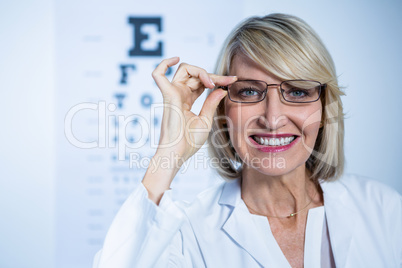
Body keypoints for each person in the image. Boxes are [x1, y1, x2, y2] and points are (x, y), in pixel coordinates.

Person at [93, 13, 401, 268]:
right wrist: (170, 151)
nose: (273, 118)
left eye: (297, 91)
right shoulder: (187, 232)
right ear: (223, 105)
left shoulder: (383, 209)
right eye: (250, 92)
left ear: (324, 107)